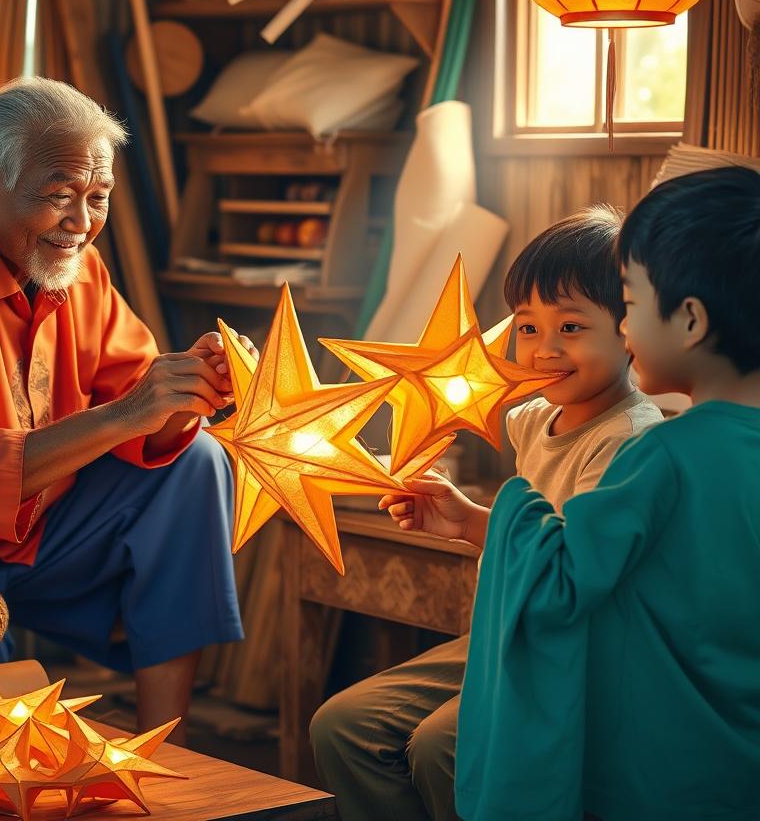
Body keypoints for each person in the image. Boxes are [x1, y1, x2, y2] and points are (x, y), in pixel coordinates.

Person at [0, 77, 249, 743]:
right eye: (60, 196)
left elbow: (137, 405)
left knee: (197, 459)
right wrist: (127, 414)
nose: (81, 223)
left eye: (98, 198)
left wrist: (188, 393)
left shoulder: (78, 267)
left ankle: (166, 746)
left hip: (46, 529)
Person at [309, 205, 662, 821]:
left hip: (577, 650)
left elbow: (568, 574)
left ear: (630, 330)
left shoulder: (628, 439)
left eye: (572, 327)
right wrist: (462, 516)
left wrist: (475, 522)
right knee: (342, 725)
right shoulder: (530, 418)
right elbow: (524, 529)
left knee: (444, 746)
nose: (544, 349)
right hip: (504, 634)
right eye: (528, 327)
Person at [457, 166, 760, 821]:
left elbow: (565, 579)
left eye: (630, 302)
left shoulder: (660, 456)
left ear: (689, 320)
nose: (624, 329)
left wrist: (511, 505)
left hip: (660, 748)